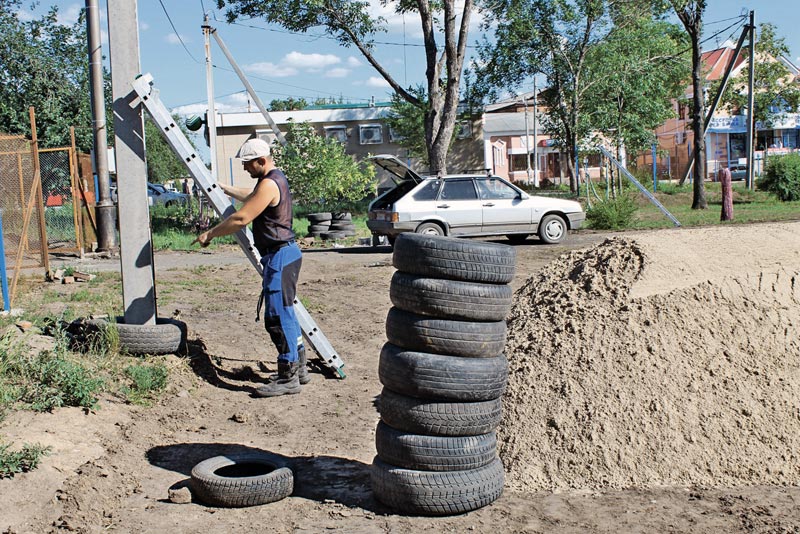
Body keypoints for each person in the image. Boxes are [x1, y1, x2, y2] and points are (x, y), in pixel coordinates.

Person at [193, 138, 308, 397]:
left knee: (276, 318)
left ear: (262, 161)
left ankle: (288, 376)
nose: (246, 168)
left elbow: (241, 217)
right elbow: (252, 197)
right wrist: (225, 189)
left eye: (248, 164)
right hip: (283, 254)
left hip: (280, 256)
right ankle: (299, 368)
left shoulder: (268, 183)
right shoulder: (273, 180)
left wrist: (209, 234)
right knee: (286, 314)